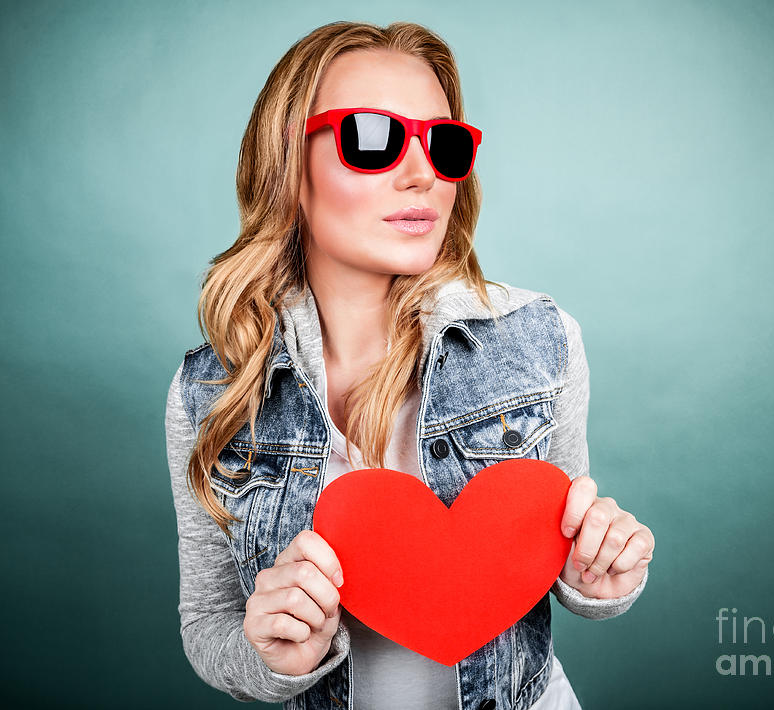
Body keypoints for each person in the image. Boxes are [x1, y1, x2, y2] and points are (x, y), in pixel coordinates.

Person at [165, 20, 654, 710]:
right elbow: (207, 623)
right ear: (288, 168)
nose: (423, 173)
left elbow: (567, 560)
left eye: (444, 144)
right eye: (374, 139)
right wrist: (269, 656)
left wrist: (599, 579)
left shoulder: (541, 340)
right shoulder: (211, 394)